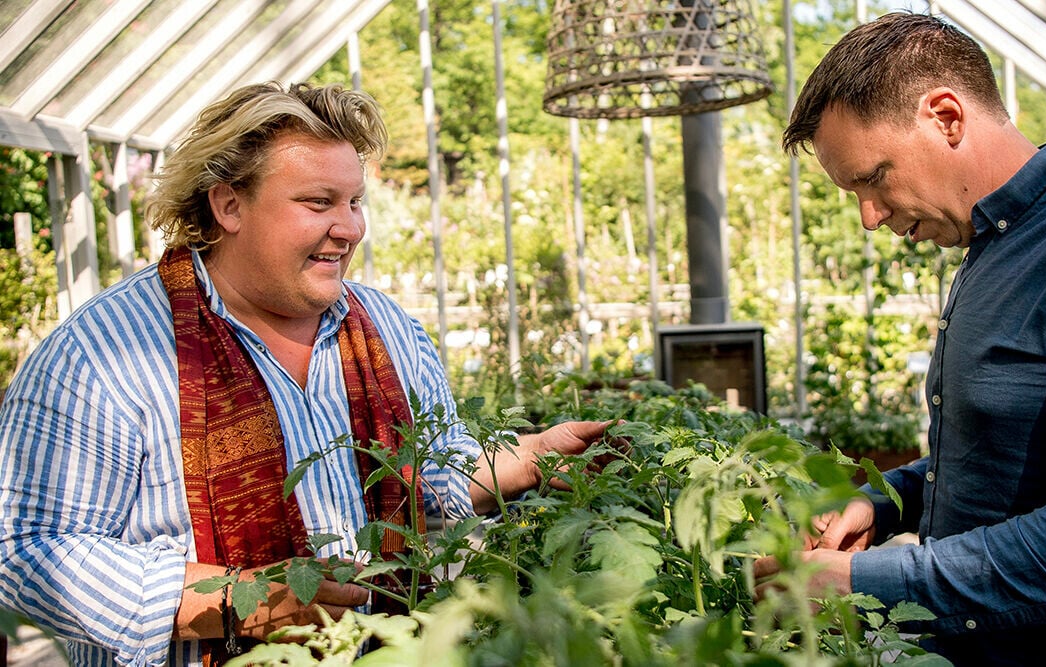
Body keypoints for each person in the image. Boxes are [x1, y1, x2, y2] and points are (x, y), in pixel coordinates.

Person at [0, 81, 614, 666]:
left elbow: (428, 476)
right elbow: (24, 551)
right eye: (317, 202)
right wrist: (243, 601)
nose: (348, 229)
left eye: (353, 202)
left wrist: (532, 456)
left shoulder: (386, 330)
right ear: (229, 204)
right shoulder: (103, 355)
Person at [754, 11, 1046, 666]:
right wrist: (882, 504)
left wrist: (873, 581)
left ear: (947, 116)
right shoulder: (994, 244)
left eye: (873, 178)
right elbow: (1002, 457)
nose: (870, 217)